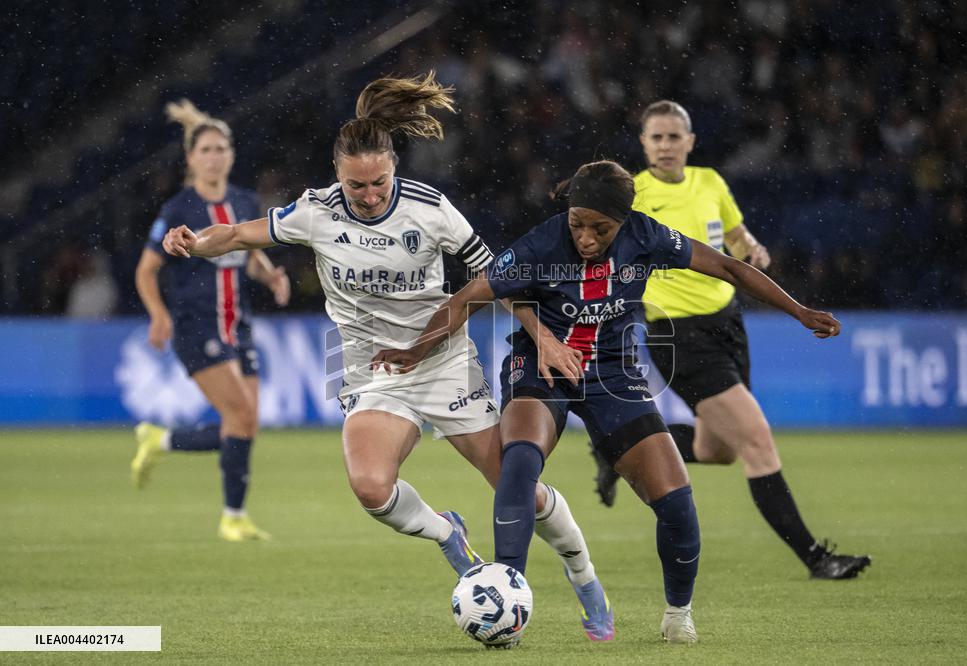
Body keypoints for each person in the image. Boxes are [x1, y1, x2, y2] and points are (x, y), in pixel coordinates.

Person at [161, 73, 614, 642]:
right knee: (371, 488)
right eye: (357, 187)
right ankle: (449, 536)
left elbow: (494, 273)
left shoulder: (431, 209)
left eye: (378, 183)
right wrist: (198, 242)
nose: (370, 196)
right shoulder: (316, 211)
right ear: (338, 178)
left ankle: (584, 575)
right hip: (369, 369)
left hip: (443, 359)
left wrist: (543, 335)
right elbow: (243, 235)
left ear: (394, 168)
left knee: (513, 484)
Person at [371, 159, 843, 643]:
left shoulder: (649, 236)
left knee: (678, 503)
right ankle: (506, 590)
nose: (587, 238)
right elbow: (471, 294)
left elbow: (726, 266)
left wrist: (799, 310)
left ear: (625, 219)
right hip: (542, 366)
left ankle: (677, 615)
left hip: (613, 373)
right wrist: (415, 350)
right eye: (578, 224)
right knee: (519, 462)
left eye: (602, 228)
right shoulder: (540, 244)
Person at [588, 100, 871, 580]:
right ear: (642, 143)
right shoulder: (632, 196)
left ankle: (616, 449)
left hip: (728, 324)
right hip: (678, 336)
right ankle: (816, 558)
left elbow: (734, 237)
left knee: (719, 449)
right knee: (758, 440)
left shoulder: (710, 182)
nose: (665, 146)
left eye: (673, 137)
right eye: (655, 137)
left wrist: (752, 248)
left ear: (690, 141)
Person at [133, 99, 291, 541]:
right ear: (191, 159)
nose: (214, 156)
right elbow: (146, 270)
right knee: (239, 414)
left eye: (221, 148)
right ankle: (231, 519)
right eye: (205, 150)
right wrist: (159, 314)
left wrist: (272, 276)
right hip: (195, 326)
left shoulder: (244, 201)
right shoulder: (179, 208)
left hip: (238, 326)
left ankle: (161, 442)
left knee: (244, 424)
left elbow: (250, 256)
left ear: (232, 154)